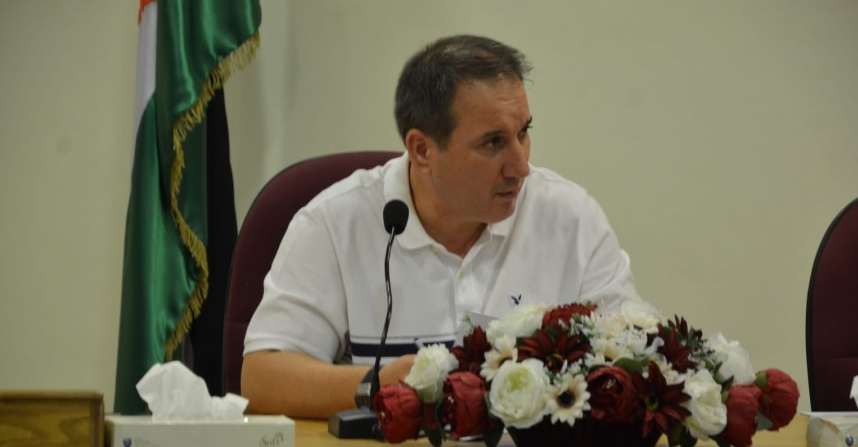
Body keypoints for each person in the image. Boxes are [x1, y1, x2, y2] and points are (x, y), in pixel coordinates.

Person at [242, 35, 640, 419]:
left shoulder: (571, 219)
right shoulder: (334, 224)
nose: (520, 167)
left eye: (523, 133)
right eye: (493, 143)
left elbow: (639, 361)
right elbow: (262, 380)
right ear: (422, 150)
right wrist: (379, 385)